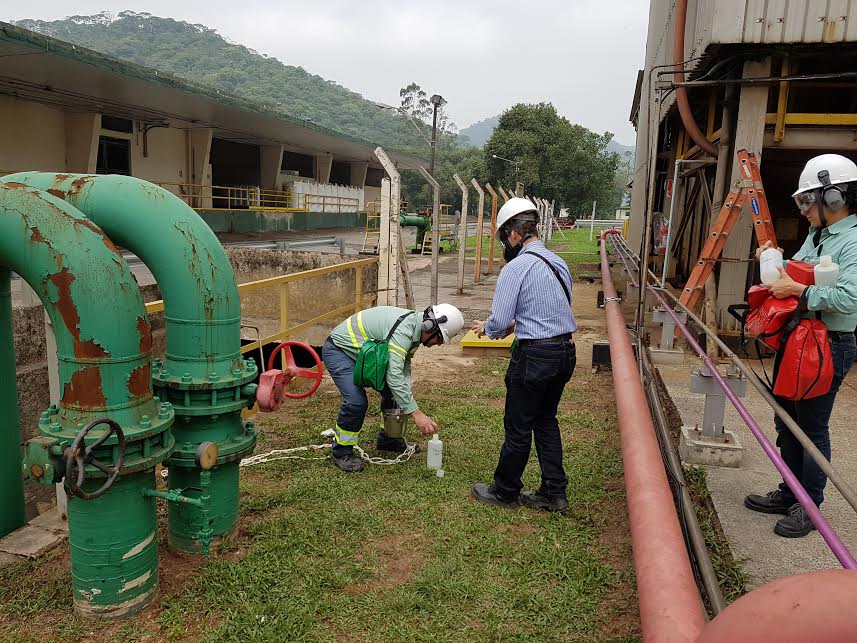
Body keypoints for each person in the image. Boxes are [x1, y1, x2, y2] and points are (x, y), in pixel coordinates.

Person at [745, 154, 857, 537]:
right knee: (786, 418)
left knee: (810, 425)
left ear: (835, 199)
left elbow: (851, 298)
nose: (805, 210)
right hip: (800, 337)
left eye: (809, 201)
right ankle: (788, 491)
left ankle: (810, 505)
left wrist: (801, 290)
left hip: (829, 343)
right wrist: (774, 262)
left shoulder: (854, 241)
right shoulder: (819, 235)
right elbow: (797, 269)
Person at [470, 197, 577, 512]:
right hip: (564, 352)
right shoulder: (558, 263)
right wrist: (505, 327)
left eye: (505, 237)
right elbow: (548, 312)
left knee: (518, 424)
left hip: (534, 358)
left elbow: (500, 321)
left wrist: (491, 328)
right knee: (546, 420)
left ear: (513, 234)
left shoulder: (515, 268)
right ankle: (554, 492)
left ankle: (504, 491)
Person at [322, 303, 465, 473]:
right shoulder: (404, 331)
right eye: (439, 339)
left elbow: (403, 365)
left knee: (398, 391)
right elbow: (393, 374)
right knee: (356, 402)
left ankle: (389, 440)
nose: (439, 344)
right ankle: (341, 452)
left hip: (363, 354)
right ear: (430, 327)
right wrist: (417, 413)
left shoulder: (415, 331)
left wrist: (406, 388)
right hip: (340, 350)